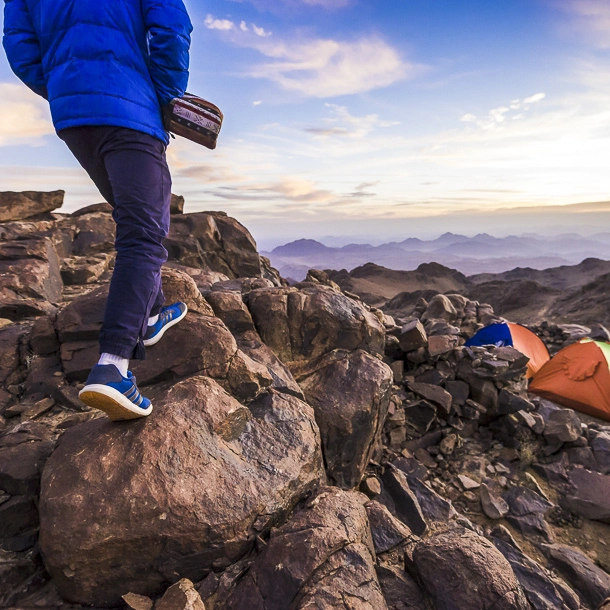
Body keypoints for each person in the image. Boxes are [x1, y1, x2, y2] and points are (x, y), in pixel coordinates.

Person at [3, 0, 193, 421]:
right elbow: (171, 30)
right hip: (131, 110)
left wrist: (66, 85)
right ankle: (113, 366)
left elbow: (19, 48)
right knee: (143, 235)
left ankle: (155, 310)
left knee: (134, 213)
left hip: (74, 117)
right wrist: (166, 98)